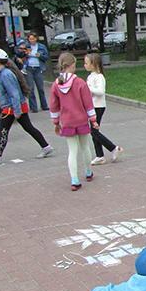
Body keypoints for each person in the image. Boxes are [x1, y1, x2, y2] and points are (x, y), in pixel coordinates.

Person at [0, 49, 53, 165]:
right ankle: (46, 147)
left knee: (3, 131)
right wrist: (0, 99)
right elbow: (9, 92)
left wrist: (17, 111)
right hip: (15, 106)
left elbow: (14, 94)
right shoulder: (5, 73)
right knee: (28, 128)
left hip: (12, 108)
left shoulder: (6, 74)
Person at [49, 52, 98, 191]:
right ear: (72, 65)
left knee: (72, 151)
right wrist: (93, 120)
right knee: (85, 146)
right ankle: (88, 172)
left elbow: (54, 106)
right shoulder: (80, 83)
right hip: (81, 120)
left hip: (67, 122)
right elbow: (88, 103)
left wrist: (56, 122)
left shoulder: (56, 85)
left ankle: (74, 179)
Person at [84, 53, 124, 165]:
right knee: (94, 131)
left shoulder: (99, 77)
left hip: (98, 106)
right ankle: (100, 155)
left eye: (87, 63)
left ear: (94, 64)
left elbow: (100, 92)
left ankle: (114, 148)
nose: (85, 65)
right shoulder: (90, 77)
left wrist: (88, 89)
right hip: (91, 106)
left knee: (93, 131)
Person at [18, 32, 50, 112]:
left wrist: (40, 55)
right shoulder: (26, 46)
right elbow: (19, 54)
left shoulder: (41, 47)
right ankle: (33, 107)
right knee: (31, 88)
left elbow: (46, 57)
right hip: (28, 68)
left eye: (33, 39)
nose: (32, 40)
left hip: (38, 68)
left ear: (36, 38)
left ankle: (44, 105)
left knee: (40, 88)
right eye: (30, 39)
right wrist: (24, 54)